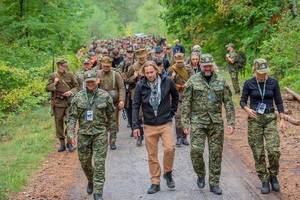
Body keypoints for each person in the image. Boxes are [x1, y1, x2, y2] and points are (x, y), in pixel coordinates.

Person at [181, 54, 235, 195]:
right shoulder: (193, 81)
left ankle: (214, 183)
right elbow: (186, 103)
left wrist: (231, 122)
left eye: (210, 66)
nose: (207, 69)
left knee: (216, 154)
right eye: (205, 66)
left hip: (215, 122)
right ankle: (200, 173)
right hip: (198, 121)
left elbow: (228, 102)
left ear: (213, 65)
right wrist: (185, 122)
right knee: (196, 151)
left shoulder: (221, 81)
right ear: (200, 65)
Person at [67, 70, 116, 200]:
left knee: (99, 163)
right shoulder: (78, 97)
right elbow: (72, 117)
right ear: (85, 82)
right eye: (88, 82)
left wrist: (113, 135)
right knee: (85, 163)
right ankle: (91, 179)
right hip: (84, 134)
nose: (90, 84)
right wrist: (71, 134)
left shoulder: (105, 96)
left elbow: (112, 117)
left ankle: (98, 192)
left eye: (92, 81)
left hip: (100, 134)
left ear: (97, 81)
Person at [132, 61, 179, 194]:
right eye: (147, 73)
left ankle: (168, 172)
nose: (150, 75)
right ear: (144, 73)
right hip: (149, 125)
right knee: (152, 155)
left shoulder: (167, 81)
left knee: (170, 148)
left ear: (157, 70)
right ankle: (155, 181)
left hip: (165, 123)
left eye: (151, 72)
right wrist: (136, 126)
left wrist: (172, 112)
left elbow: (175, 96)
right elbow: (135, 105)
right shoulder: (140, 85)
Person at [240, 58, 285, 194]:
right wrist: (247, 109)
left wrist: (282, 119)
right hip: (255, 120)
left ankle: (273, 175)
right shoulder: (249, 83)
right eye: (259, 73)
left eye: (264, 73)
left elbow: (279, 101)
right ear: (254, 70)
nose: (262, 75)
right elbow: (242, 101)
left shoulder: (273, 83)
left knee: (273, 150)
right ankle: (264, 180)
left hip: (270, 119)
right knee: (258, 152)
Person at [45, 58, 79, 152]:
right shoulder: (53, 76)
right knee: (58, 123)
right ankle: (62, 143)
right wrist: (54, 83)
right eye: (64, 66)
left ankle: (69, 142)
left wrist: (70, 92)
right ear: (59, 66)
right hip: (58, 103)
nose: (66, 67)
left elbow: (77, 87)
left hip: (69, 102)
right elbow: (47, 88)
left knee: (69, 122)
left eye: (66, 66)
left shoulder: (70, 75)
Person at [96, 57, 125, 150]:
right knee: (101, 122)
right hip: (101, 102)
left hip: (113, 102)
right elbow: (90, 87)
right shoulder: (98, 74)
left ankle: (112, 141)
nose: (106, 68)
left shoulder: (115, 74)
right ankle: (102, 140)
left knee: (113, 122)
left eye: (108, 66)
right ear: (101, 65)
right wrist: (96, 83)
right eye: (104, 66)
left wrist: (121, 100)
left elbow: (121, 88)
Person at [167, 53, 194, 147]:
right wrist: (172, 77)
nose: (179, 64)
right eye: (177, 62)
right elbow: (167, 83)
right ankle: (178, 137)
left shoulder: (188, 69)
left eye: (181, 62)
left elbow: (193, 81)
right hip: (177, 95)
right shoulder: (172, 70)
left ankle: (184, 137)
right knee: (178, 116)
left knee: (186, 115)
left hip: (187, 95)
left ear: (184, 61)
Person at [124, 48, 147, 146]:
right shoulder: (133, 67)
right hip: (137, 93)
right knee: (139, 115)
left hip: (149, 93)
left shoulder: (150, 65)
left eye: (143, 57)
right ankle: (140, 135)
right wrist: (134, 76)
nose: (141, 59)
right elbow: (125, 80)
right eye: (140, 58)